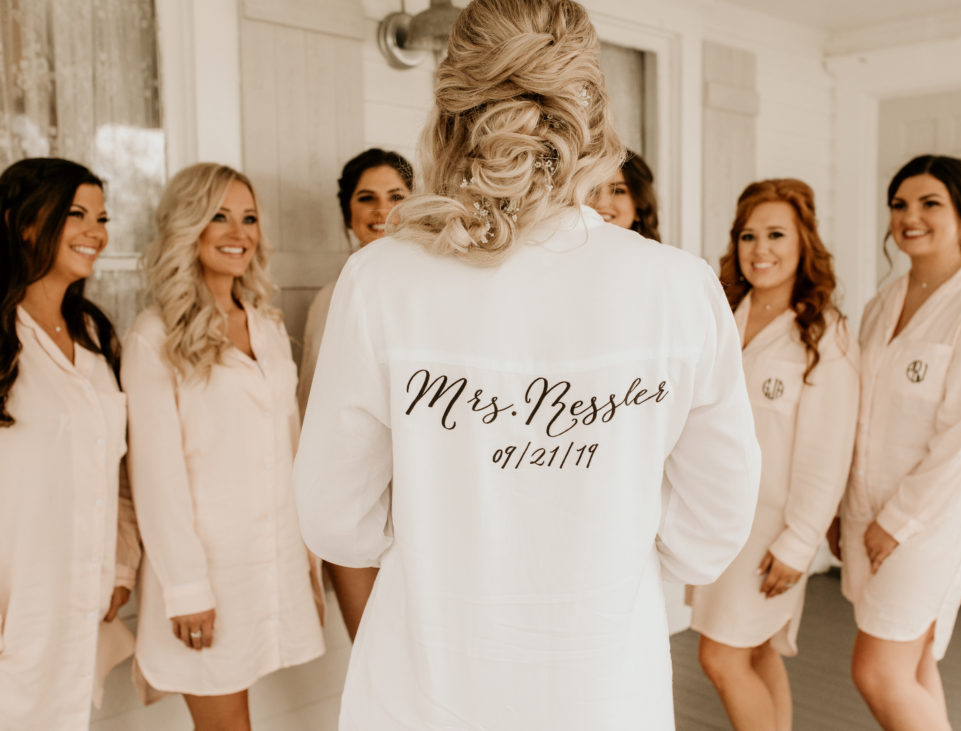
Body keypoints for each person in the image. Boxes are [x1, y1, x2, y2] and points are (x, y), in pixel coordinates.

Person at [293, 1, 761, 729]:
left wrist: (443, 528)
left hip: (428, 684)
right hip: (604, 684)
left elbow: (334, 516)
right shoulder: (678, 287)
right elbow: (711, 526)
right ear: (593, 113)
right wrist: (604, 539)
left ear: (452, 109)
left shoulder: (381, 281)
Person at [122, 163, 325, 730]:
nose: (239, 232)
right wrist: (186, 589)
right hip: (205, 571)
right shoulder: (153, 335)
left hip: (271, 558)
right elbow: (156, 477)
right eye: (219, 216)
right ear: (189, 227)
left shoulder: (266, 326)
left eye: (249, 218)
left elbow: (288, 444)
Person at [836, 154, 961, 731]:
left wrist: (898, 521)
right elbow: (858, 412)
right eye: (899, 204)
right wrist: (842, 506)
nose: (909, 217)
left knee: (878, 670)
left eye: (929, 203)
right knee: (912, 662)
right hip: (867, 507)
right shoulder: (882, 304)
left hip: (932, 518)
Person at [688, 179, 859, 731]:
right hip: (715, 518)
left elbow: (828, 452)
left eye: (776, 235)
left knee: (720, 656)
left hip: (771, 532)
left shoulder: (822, 336)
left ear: (803, 242)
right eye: (748, 236)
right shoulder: (721, 315)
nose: (760, 249)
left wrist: (800, 541)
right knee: (757, 650)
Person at [0, 158, 140, 729]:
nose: (96, 231)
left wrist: (122, 566)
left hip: (80, 596)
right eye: (76, 213)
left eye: (102, 217)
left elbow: (118, 471)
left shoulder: (95, 336)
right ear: (21, 222)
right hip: (16, 594)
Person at [296, 148, 413, 641]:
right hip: (353, 503)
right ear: (348, 212)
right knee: (369, 651)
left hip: (417, 507)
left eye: (395, 196)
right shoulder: (330, 299)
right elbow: (310, 410)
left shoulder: (430, 294)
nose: (380, 210)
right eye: (366, 198)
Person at [589, 148, 660, 241]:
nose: (601, 203)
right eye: (591, 190)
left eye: (618, 191)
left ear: (639, 207)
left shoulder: (662, 255)